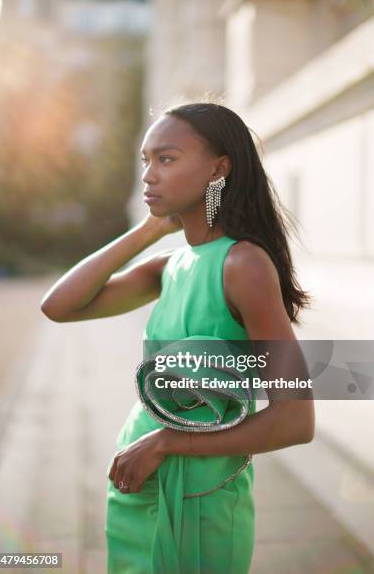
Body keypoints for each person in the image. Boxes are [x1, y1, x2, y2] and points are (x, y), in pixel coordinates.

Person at [41, 102, 315, 573]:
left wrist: (168, 443)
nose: (149, 174)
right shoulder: (172, 264)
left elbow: (296, 420)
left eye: (166, 159)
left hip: (201, 493)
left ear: (219, 169)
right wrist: (149, 230)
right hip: (137, 480)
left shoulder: (243, 265)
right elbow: (60, 306)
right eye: (145, 160)